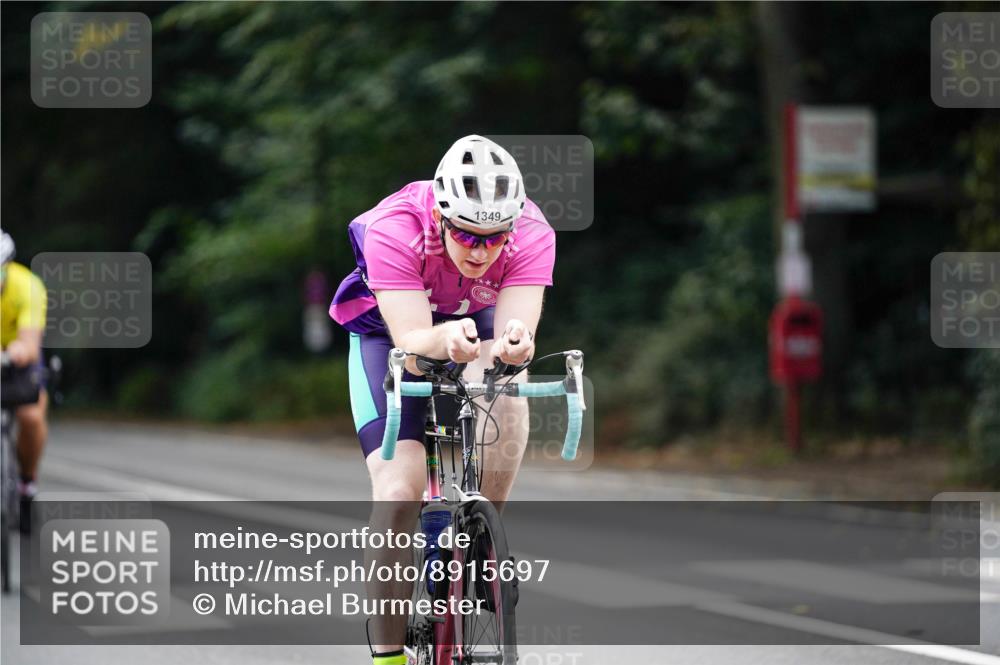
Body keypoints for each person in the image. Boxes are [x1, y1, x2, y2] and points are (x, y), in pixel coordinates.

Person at [329, 135, 555, 664]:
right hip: (388, 333)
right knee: (400, 491)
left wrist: (516, 346)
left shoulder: (531, 232)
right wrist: (440, 340)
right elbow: (411, 342)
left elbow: (512, 336)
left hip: (471, 324)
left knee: (506, 390)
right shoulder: (394, 229)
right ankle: (387, 655)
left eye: (494, 239)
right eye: (467, 237)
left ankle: (479, 542)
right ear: (442, 220)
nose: (481, 251)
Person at [0, 231, 48, 531]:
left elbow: (30, 346)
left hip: (16, 358)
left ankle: (26, 485)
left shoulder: (27, 286)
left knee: (31, 415)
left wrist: (12, 353)